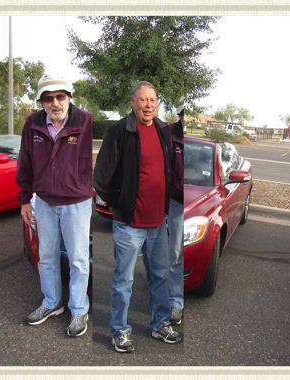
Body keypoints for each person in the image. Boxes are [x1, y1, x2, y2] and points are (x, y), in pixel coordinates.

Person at [94, 81, 181, 353]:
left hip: (158, 223)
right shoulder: (119, 131)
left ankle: (160, 324)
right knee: (124, 280)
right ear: (132, 102)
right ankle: (119, 330)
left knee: (159, 277)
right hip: (129, 223)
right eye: (143, 100)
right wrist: (117, 206)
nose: (148, 105)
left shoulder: (162, 130)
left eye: (153, 100)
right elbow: (101, 177)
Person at [15, 73, 93, 337]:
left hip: (77, 203)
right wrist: (25, 199)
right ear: (42, 102)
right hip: (45, 202)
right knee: (46, 257)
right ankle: (52, 303)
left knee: (79, 260)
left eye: (60, 96)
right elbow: (24, 163)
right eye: (48, 99)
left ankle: (79, 309)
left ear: (70, 98)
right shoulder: (32, 124)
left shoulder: (86, 120)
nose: (55, 103)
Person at [168, 98, 184, 325]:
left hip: (191, 205)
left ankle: (176, 301)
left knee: (178, 255)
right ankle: (170, 301)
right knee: (169, 255)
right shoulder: (168, 133)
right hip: (171, 202)